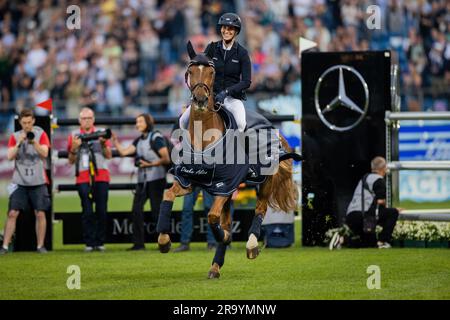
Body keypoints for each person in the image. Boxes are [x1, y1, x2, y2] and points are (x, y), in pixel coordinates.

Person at [179, 12, 251, 132]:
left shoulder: (242, 53)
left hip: (231, 99)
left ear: (236, 31)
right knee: (183, 121)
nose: (226, 31)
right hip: (210, 97)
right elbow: (201, 70)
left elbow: (246, 81)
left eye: (230, 29)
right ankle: (184, 149)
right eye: (224, 27)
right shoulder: (212, 48)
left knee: (241, 124)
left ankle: (240, 150)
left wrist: (226, 92)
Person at [112, 113, 170, 251]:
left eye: (140, 121)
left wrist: (148, 165)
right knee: (136, 211)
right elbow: (124, 152)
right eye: (137, 121)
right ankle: (139, 244)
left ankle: (162, 243)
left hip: (156, 180)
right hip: (143, 181)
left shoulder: (156, 138)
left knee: (157, 213)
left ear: (148, 123)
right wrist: (114, 140)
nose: (137, 124)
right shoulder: (140, 140)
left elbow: (166, 158)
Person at [1, 109, 50, 254]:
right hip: (19, 181)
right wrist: (19, 143)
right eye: (24, 123)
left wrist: (33, 141)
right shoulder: (15, 136)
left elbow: (45, 153)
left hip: (38, 180)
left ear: (33, 121)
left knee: (40, 213)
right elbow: (9, 156)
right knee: (12, 213)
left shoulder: (41, 134)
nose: (27, 126)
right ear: (20, 122)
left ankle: (40, 246)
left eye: (29, 122)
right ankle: (4, 246)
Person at [330, 156, 402, 250]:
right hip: (364, 217)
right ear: (384, 168)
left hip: (351, 216)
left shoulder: (364, 178)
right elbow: (380, 202)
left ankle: (342, 240)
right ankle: (383, 241)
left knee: (369, 243)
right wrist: (393, 209)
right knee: (393, 213)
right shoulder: (379, 180)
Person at [67, 107, 112, 252]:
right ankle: (89, 242)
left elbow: (109, 155)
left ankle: (100, 241)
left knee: (101, 210)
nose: (87, 121)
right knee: (86, 210)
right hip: (82, 176)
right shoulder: (74, 135)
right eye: (84, 118)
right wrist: (74, 148)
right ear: (79, 120)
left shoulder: (101, 132)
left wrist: (104, 143)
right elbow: (71, 160)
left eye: (89, 118)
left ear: (93, 119)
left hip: (101, 175)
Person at [173, 187, 217, 252]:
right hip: (192, 179)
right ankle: (184, 243)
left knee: (210, 210)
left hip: (207, 179)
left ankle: (212, 243)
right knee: (187, 209)